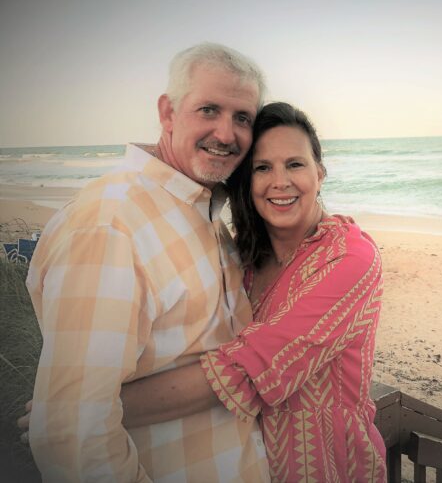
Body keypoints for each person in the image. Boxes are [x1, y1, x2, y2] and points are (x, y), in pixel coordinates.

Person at [24, 43, 271, 481]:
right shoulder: (110, 223)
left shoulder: (202, 212)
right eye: (209, 109)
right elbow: (73, 434)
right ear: (168, 113)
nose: (227, 134)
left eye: (242, 118)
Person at [116, 102, 387, 481]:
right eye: (262, 168)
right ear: (247, 181)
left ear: (320, 174)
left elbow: (249, 368)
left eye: (295, 164)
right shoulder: (238, 257)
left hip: (330, 469)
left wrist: (93, 407)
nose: (280, 181)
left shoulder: (350, 258)